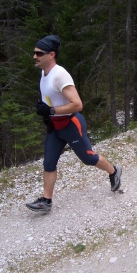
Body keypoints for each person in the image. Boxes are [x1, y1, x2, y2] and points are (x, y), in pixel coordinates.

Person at [26, 35, 122, 212]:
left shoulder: (60, 75)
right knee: (49, 163)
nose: (35, 56)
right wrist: (45, 109)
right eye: (34, 53)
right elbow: (51, 98)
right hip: (55, 127)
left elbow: (78, 104)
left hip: (71, 124)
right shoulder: (43, 73)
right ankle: (46, 201)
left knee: (89, 158)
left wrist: (52, 111)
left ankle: (114, 171)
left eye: (39, 53)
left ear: (51, 55)